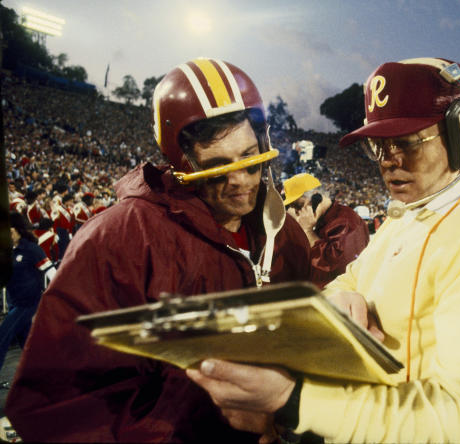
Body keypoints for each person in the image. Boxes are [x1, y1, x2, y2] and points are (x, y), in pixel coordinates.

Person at [185, 57, 460, 443]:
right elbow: (349, 281)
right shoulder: (410, 215)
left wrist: (295, 400)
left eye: (407, 142)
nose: (389, 162)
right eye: (379, 146)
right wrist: (337, 305)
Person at [6, 57, 311, 442]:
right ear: (180, 160)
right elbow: (55, 405)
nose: (240, 181)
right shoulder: (119, 239)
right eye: (217, 167)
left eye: (250, 159)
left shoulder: (285, 235)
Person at [283, 172, 370, 288]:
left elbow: (337, 270)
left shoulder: (346, 221)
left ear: (316, 198)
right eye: (292, 207)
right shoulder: (322, 220)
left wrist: (307, 231)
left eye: (298, 205)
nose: (297, 212)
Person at [0, 213, 55, 381]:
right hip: (14, 302)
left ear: (16, 229)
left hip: (28, 303)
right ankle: (44, 376)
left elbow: (53, 274)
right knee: (28, 344)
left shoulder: (32, 250)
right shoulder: (7, 250)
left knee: (2, 337)